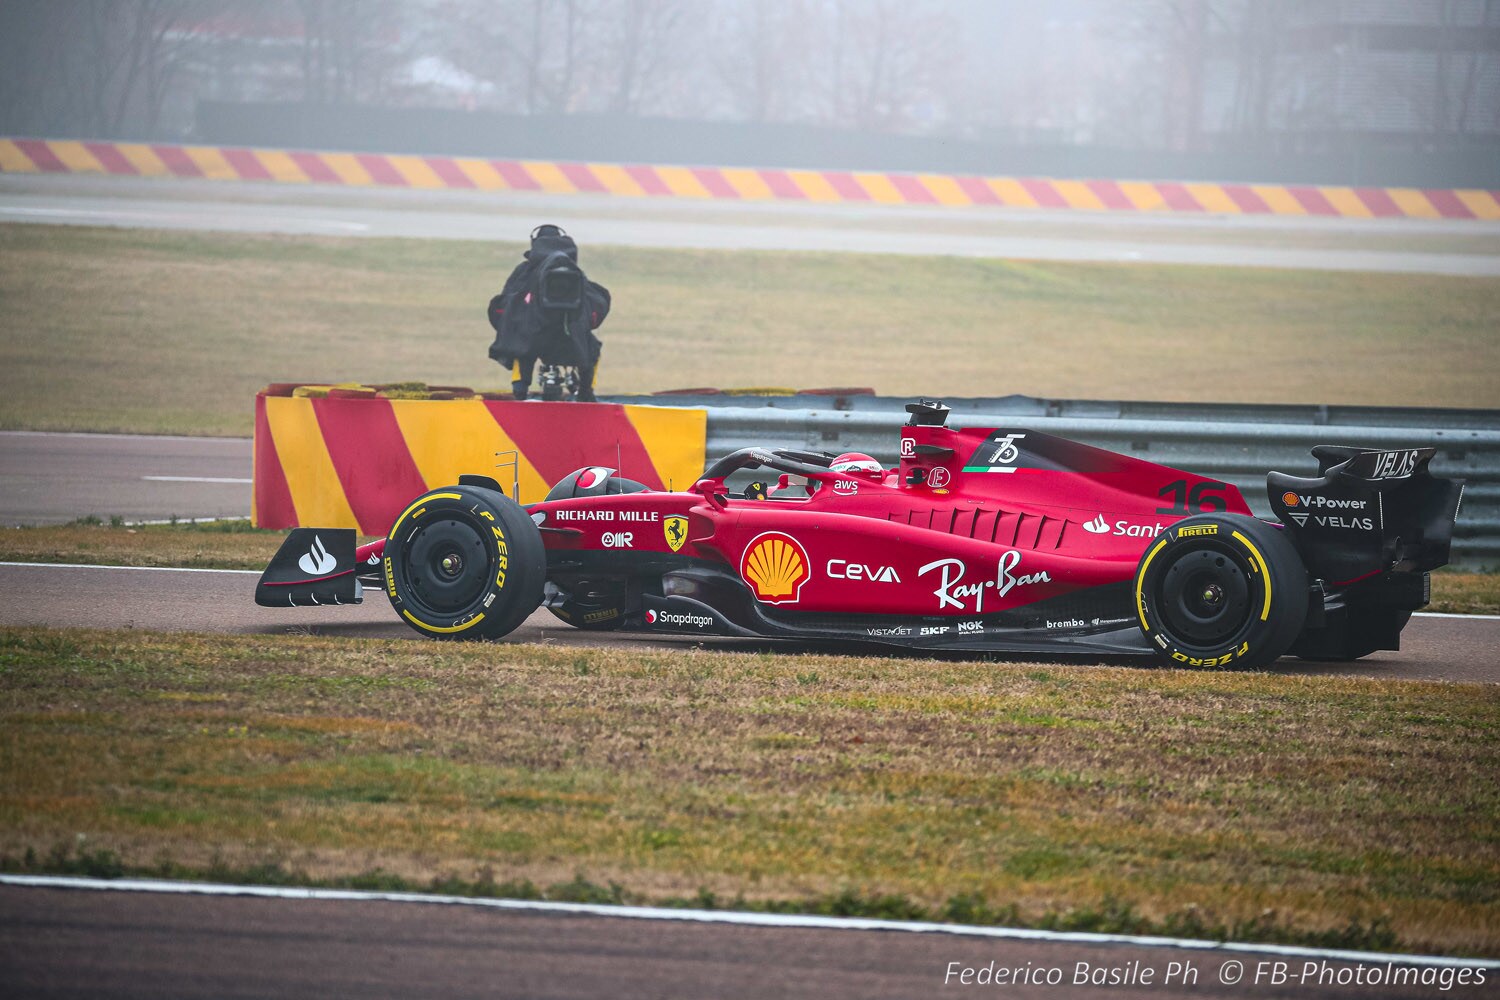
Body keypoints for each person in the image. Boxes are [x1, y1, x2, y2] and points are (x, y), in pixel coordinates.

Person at [487, 225, 611, 401]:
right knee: (592, 348)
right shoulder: (573, 272)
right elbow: (594, 301)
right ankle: (586, 392)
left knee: (518, 341)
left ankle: (520, 390)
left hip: (531, 338)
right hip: (571, 338)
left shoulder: (524, 271)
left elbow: (508, 300)